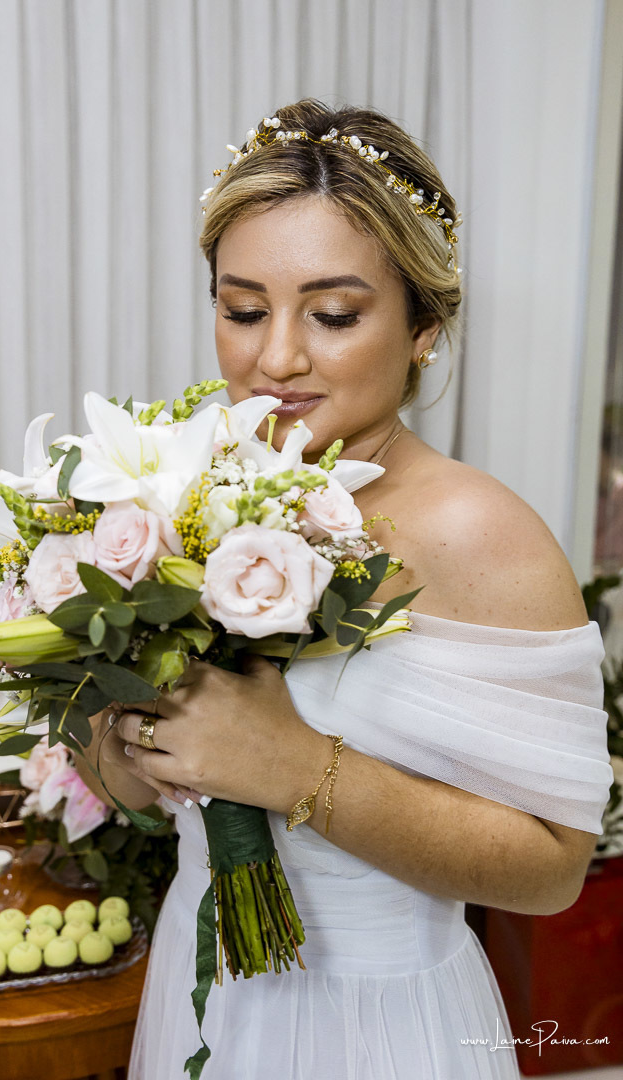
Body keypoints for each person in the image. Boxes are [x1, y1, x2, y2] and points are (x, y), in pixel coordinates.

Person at [75, 99, 613, 1079]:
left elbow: (554, 869)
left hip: (382, 1025)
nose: (274, 359)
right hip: (205, 992)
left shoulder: (481, 534)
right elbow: (142, 794)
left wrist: (291, 765)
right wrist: (127, 742)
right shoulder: (185, 494)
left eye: (332, 314)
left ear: (424, 327)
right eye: (242, 309)